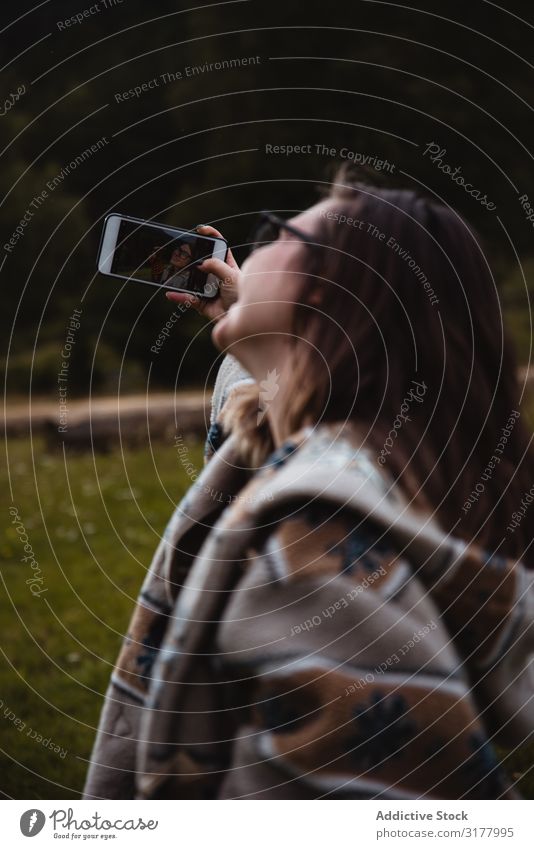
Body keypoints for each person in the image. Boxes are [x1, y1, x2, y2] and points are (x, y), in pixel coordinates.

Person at [84, 170, 534, 800]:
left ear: (329, 293)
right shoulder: (378, 471)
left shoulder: (320, 536)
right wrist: (270, 326)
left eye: (281, 233)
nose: (257, 249)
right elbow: (284, 421)